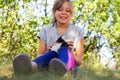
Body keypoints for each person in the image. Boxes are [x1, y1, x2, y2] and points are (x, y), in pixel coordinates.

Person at [13, 0, 85, 77]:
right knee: (53, 53)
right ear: (54, 11)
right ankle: (28, 68)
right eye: (60, 10)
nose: (64, 12)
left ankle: (64, 72)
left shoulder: (78, 31)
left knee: (63, 48)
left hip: (71, 68)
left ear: (71, 14)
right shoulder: (46, 30)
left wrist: (71, 52)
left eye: (67, 10)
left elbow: (79, 62)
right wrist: (49, 51)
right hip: (49, 65)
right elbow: (40, 55)